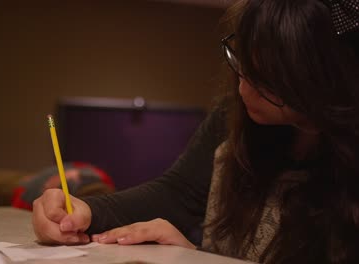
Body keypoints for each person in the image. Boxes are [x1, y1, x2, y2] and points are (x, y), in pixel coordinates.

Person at [32, 0, 359, 263]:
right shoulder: (239, 114)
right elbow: (180, 191)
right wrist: (89, 211)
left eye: (270, 82)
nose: (244, 91)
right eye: (242, 63)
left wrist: (197, 259)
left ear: (330, 87)